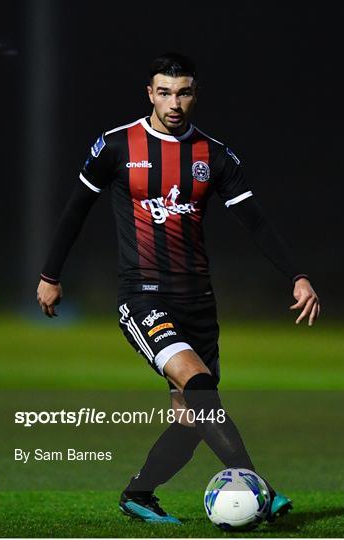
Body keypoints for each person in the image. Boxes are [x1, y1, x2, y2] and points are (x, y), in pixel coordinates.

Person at [37, 52, 320, 525]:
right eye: (164, 92)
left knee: (192, 420)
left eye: (183, 92)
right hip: (144, 296)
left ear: (195, 94)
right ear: (149, 93)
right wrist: (50, 275)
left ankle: (138, 494)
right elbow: (74, 211)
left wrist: (297, 274)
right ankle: (258, 488)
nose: (174, 102)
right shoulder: (116, 146)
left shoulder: (214, 155)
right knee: (202, 387)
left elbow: (256, 221)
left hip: (199, 302)